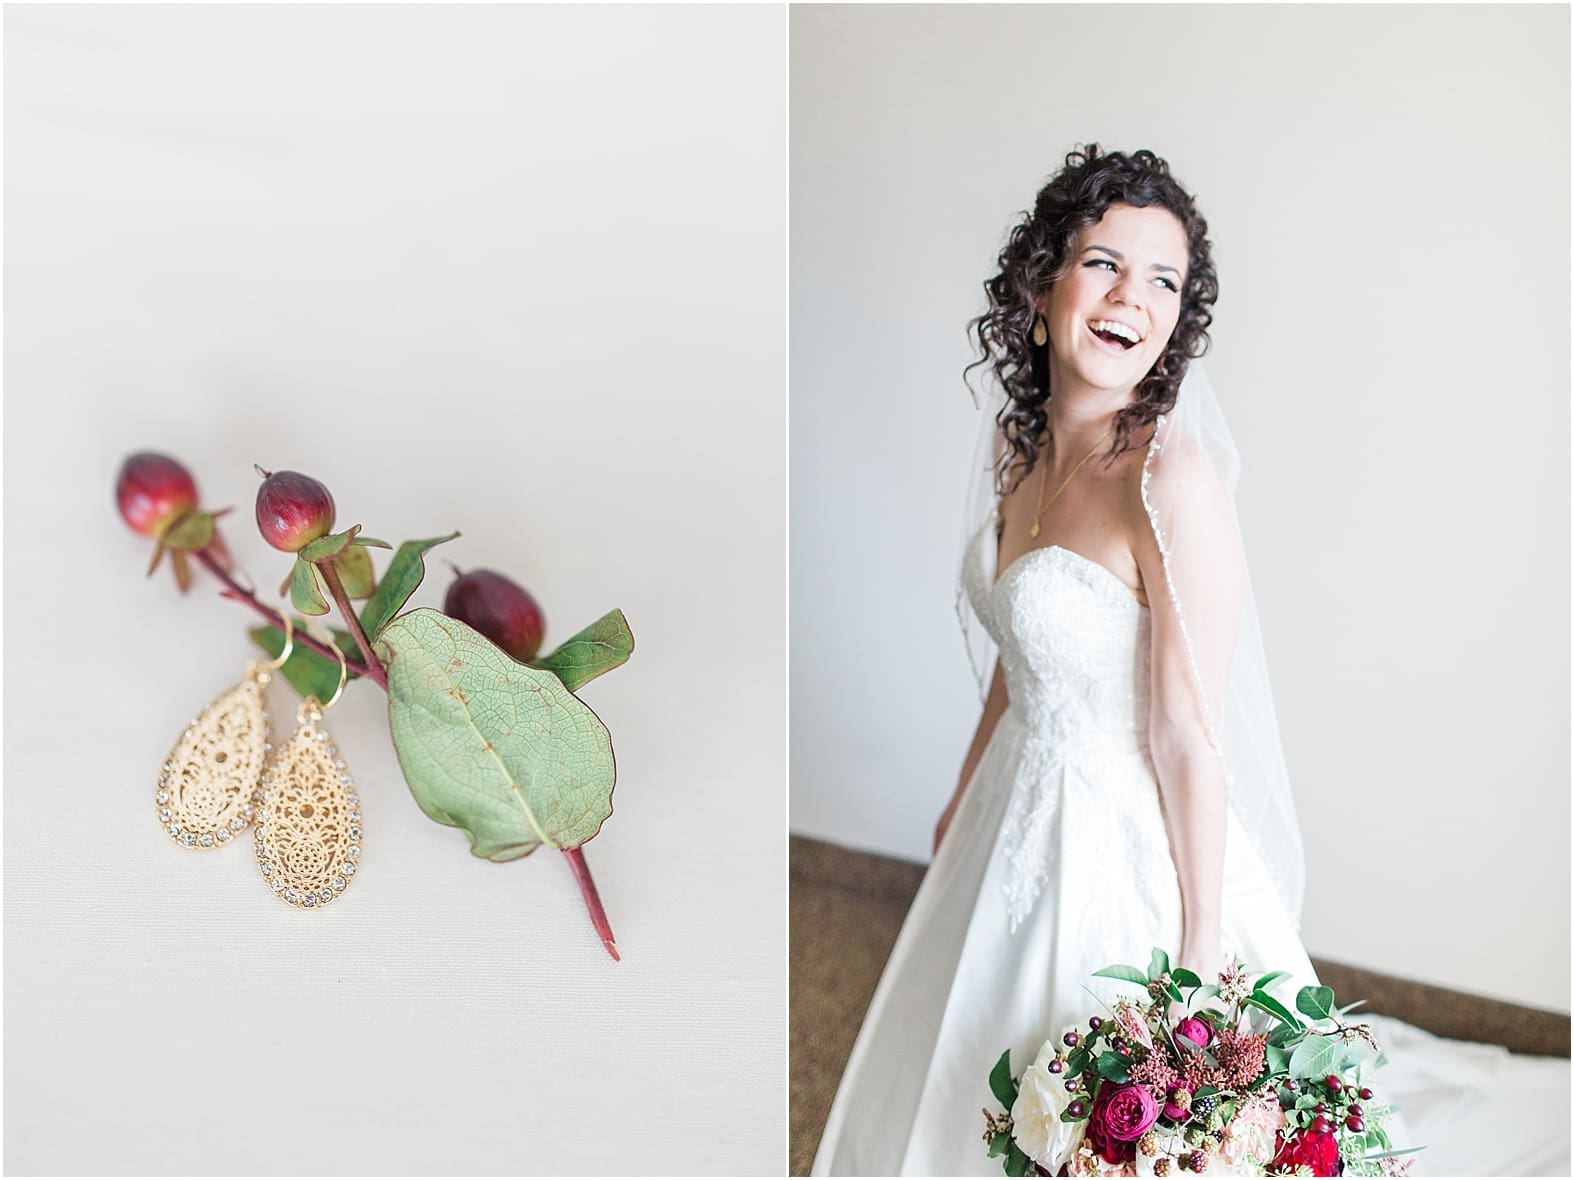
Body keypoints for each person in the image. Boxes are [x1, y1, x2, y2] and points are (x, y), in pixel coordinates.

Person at [811, 145, 1320, 1176]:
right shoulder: (1019, 447)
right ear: (1040, 286)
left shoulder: (1170, 477)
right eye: (1102, 264)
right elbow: (1021, 645)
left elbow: (1185, 730)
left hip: (1122, 833)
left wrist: (1197, 945)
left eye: (1162, 280)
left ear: (1178, 320)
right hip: (1010, 804)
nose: (1130, 296)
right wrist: (960, 798)